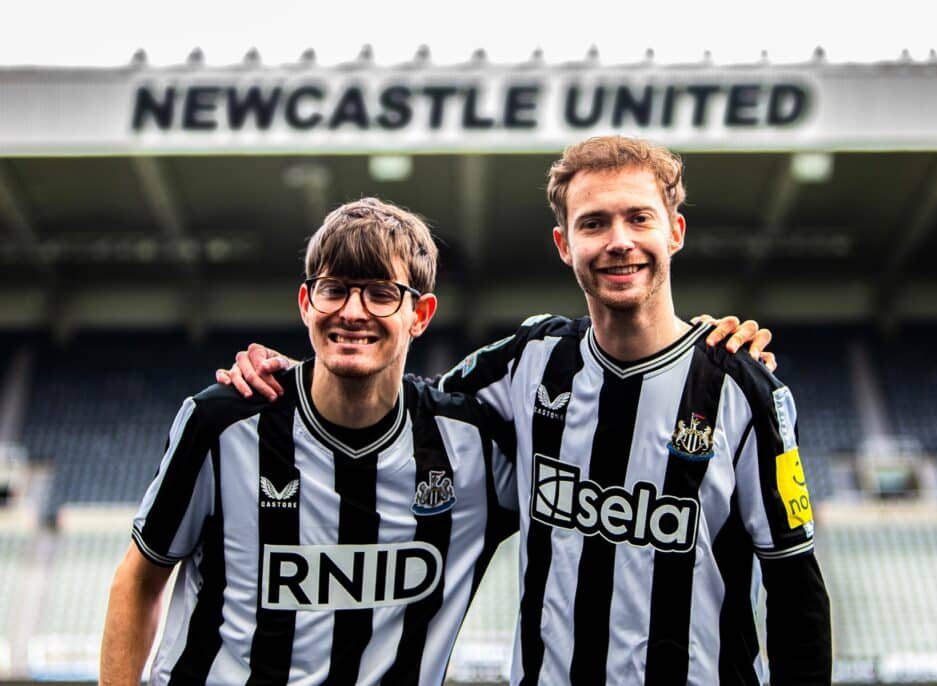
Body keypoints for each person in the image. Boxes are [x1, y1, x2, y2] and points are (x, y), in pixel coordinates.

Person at [225, 137, 831, 685]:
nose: (618, 241)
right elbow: (400, 404)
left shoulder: (744, 389)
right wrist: (303, 371)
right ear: (566, 244)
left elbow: (796, 592)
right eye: (594, 223)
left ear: (674, 231)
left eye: (638, 218)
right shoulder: (529, 360)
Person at [100, 198, 520, 685]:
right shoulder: (223, 422)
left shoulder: (469, 449)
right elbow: (139, 579)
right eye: (334, 290)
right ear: (306, 304)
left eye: (382, 293)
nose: (353, 312)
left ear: (420, 314)